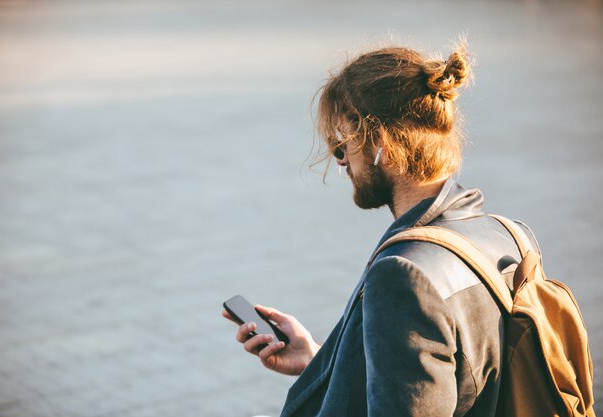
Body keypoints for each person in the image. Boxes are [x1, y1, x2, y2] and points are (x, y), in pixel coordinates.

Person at [222, 43, 540, 417]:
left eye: (341, 145)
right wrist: (320, 362)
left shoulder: (404, 275)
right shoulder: (510, 235)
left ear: (381, 146)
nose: (341, 162)